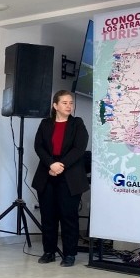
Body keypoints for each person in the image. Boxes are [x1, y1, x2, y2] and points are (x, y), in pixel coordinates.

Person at [32, 90, 89, 267]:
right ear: (55, 106)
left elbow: (79, 149)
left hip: (70, 177)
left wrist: (60, 165)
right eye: (64, 103)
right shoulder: (45, 124)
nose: (69, 106)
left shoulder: (77, 124)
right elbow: (38, 146)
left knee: (68, 216)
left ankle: (69, 254)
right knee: (48, 216)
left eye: (71, 103)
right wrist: (51, 165)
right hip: (47, 175)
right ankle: (48, 252)